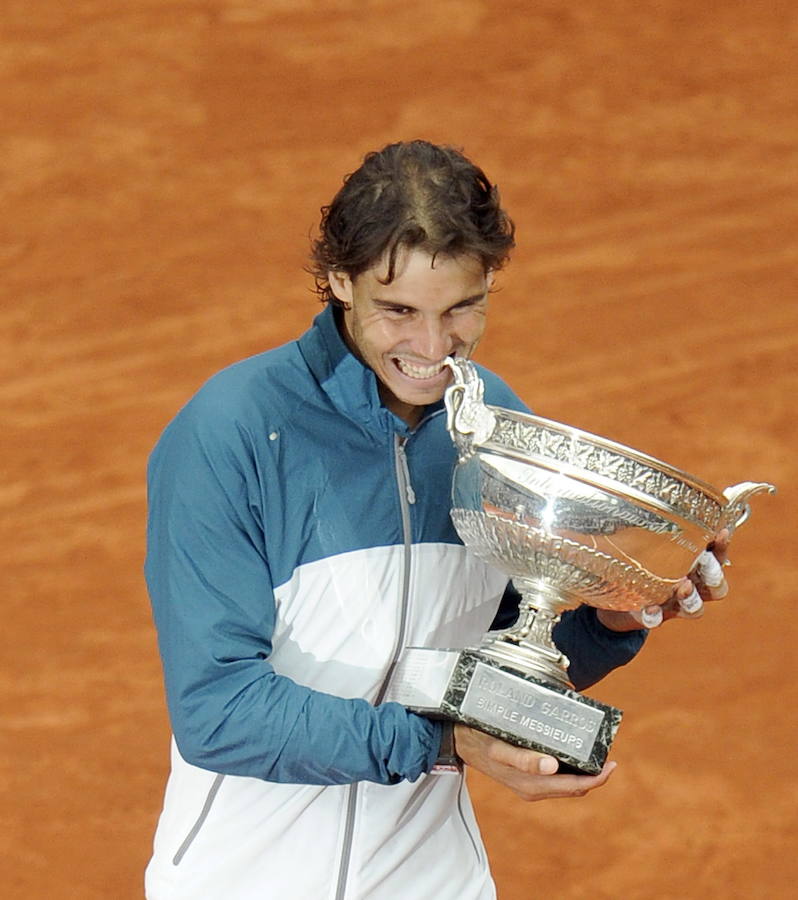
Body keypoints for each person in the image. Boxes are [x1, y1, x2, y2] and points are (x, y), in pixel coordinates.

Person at [144, 140, 729, 900]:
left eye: (462, 308)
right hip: (239, 882)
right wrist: (443, 741)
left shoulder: (497, 431)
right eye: (398, 312)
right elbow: (218, 710)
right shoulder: (232, 433)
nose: (431, 348)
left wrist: (615, 622)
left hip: (431, 879)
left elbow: (509, 662)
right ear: (339, 282)